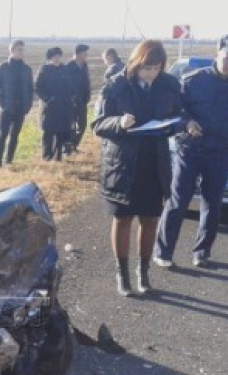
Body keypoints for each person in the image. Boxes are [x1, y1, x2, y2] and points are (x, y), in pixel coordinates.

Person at [155, 33, 228, 268]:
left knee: (213, 203)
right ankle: (163, 252)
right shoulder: (193, 80)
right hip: (190, 149)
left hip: (220, 152)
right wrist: (188, 123)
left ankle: (202, 252)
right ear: (216, 55)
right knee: (178, 201)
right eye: (226, 58)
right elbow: (175, 110)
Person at [91, 39, 182, 296]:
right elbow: (98, 124)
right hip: (123, 163)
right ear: (135, 62)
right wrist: (119, 122)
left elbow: (179, 116)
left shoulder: (169, 85)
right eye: (146, 68)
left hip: (154, 162)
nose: (151, 73)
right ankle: (123, 274)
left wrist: (174, 125)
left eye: (156, 68)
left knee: (151, 219)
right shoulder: (116, 85)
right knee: (123, 219)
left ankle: (144, 273)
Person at [0, 39, 34, 168]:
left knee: (15, 135)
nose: (22, 52)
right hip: (6, 108)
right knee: (3, 134)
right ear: (12, 50)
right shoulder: (3, 67)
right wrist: (3, 104)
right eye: (19, 49)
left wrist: (28, 105)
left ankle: (9, 161)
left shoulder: (27, 69)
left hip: (21, 108)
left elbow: (31, 89)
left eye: (23, 50)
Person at [36, 47, 73, 161]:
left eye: (59, 56)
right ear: (50, 58)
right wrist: (47, 98)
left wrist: (71, 97)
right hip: (50, 108)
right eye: (55, 56)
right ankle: (47, 156)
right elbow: (38, 87)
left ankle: (58, 156)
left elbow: (70, 85)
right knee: (48, 133)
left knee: (61, 132)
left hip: (63, 107)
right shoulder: (44, 70)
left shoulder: (64, 69)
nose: (57, 58)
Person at [65, 44, 92, 153]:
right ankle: (67, 148)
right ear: (78, 53)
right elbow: (65, 85)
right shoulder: (68, 66)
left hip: (82, 101)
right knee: (70, 125)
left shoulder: (85, 66)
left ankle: (74, 145)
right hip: (70, 102)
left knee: (82, 125)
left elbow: (87, 82)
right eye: (85, 53)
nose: (87, 55)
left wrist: (87, 96)